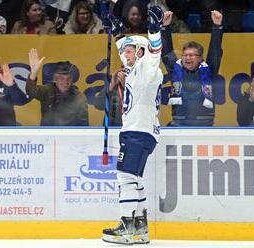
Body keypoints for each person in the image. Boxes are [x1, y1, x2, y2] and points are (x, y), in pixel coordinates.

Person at [102, 6, 164, 245]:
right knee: (134, 179)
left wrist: (155, 30)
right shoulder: (134, 66)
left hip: (138, 131)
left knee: (125, 177)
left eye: (129, 50)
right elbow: (125, 49)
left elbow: (154, 52)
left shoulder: (147, 68)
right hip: (141, 131)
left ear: (139, 52)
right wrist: (117, 33)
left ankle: (127, 226)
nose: (124, 53)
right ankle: (140, 227)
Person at [162, 10, 223, 126]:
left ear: (200, 58)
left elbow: (214, 51)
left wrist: (217, 27)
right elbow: (167, 52)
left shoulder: (208, 70)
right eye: (185, 55)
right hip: (179, 125)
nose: (187, 58)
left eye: (191, 55)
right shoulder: (175, 70)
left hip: (204, 126)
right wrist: (165, 28)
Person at [26, 48, 89, 126]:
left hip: (69, 136)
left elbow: (83, 125)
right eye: (61, 78)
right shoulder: (47, 90)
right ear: (55, 79)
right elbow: (31, 91)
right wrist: (34, 72)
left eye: (68, 78)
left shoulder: (79, 97)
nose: (65, 82)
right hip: (47, 135)